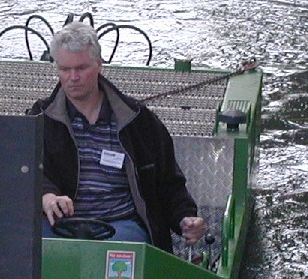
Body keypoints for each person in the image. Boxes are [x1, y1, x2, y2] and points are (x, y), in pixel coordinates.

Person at [29, 21, 205, 250]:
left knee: (122, 256)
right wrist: (46, 196)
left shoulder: (138, 120)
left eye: (81, 68)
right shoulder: (39, 118)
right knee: (30, 249)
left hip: (121, 226)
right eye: (65, 69)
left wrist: (185, 217)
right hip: (59, 225)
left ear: (99, 65)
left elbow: (168, 181)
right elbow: (22, 169)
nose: (73, 77)